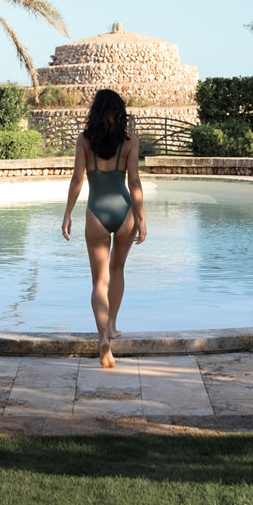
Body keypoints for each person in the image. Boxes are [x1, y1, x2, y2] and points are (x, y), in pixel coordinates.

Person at [61, 88, 146, 369]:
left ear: (95, 112)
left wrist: (68, 214)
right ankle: (111, 326)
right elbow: (134, 183)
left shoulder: (84, 140)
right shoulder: (130, 141)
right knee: (118, 270)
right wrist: (142, 218)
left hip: (96, 212)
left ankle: (102, 339)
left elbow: (77, 179)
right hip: (124, 213)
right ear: (119, 112)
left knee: (99, 281)